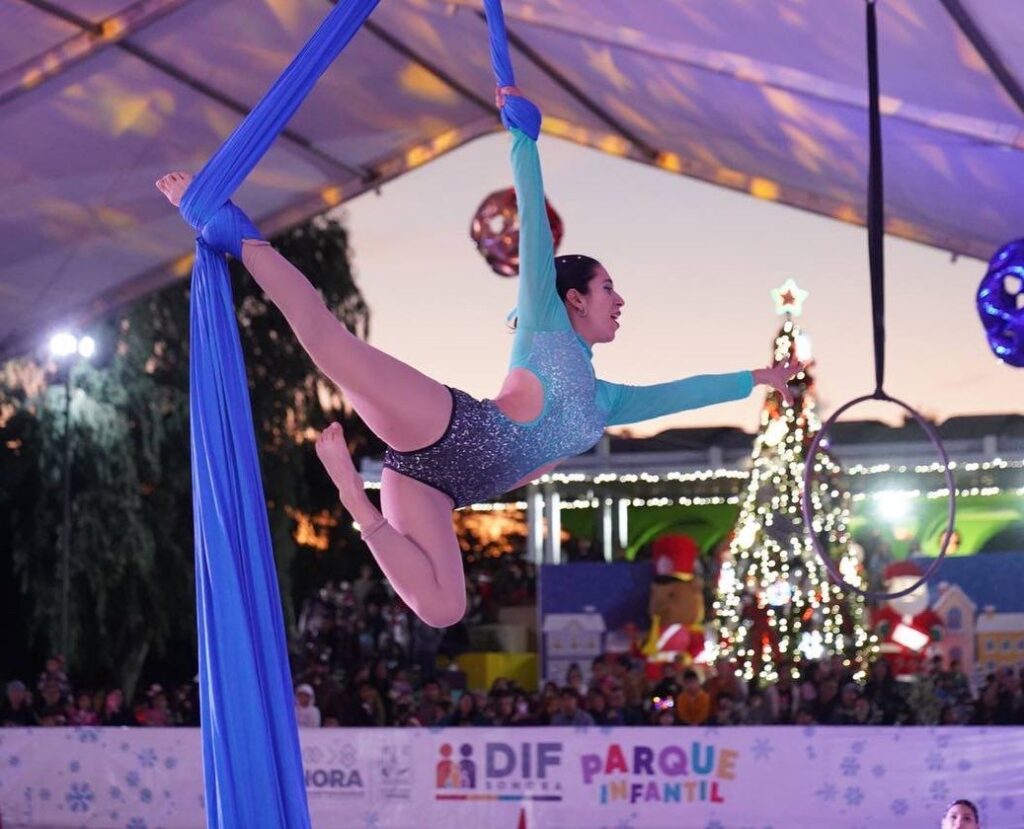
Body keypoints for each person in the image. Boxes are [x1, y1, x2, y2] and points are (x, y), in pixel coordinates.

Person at [155, 88, 802, 630]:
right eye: (609, 289)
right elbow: (534, 222)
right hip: (446, 425)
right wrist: (523, 139)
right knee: (330, 344)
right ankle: (228, 226)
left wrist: (762, 377)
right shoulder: (547, 326)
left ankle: (356, 497)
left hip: (440, 488)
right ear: (572, 298)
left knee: (442, 608)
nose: (620, 300)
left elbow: (685, 391)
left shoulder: (608, 403)